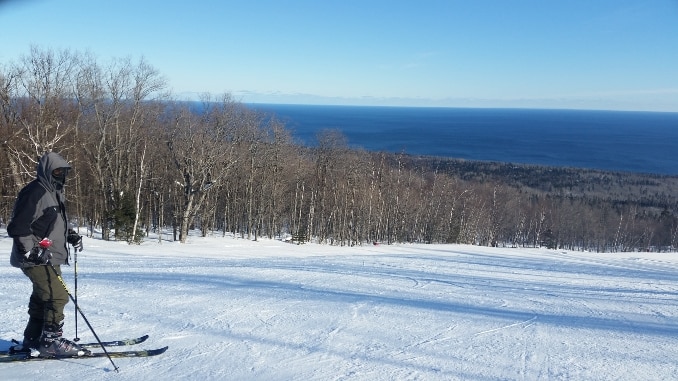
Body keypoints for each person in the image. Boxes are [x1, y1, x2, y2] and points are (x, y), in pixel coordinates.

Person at [7, 152, 88, 357]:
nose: (61, 176)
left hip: (50, 256)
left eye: (64, 172)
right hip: (35, 258)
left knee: (43, 297)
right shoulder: (35, 192)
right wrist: (30, 251)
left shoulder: (55, 192)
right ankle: (51, 342)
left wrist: (70, 235)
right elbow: (18, 226)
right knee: (57, 296)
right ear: (47, 171)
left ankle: (34, 338)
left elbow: (50, 223)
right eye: (57, 171)